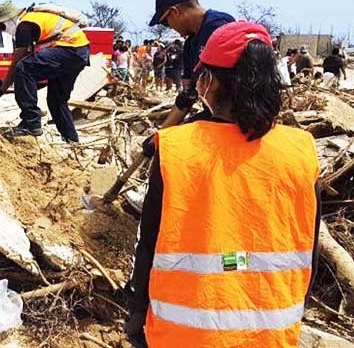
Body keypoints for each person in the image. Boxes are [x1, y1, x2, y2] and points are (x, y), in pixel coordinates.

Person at [124, 22, 320, 348]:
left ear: (209, 81)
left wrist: (136, 312)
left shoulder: (176, 148)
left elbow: (148, 244)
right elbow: (308, 250)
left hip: (183, 335)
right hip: (272, 334)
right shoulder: (301, 150)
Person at [0, 0, 90, 142]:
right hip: (79, 52)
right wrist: (4, 87)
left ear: (10, 19)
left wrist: (1, 89)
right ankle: (72, 141)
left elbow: (19, 65)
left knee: (23, 68)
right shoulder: (31, 22)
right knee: (56, 100)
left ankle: (31, 122)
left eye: (1, 26)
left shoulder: (24, 25)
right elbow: (33, 71)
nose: (2, 31)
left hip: (69, 49)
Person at [149, 0, 234, 92]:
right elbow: (188, 92)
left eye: (166, 22)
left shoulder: (219, 27)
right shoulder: (190, 43)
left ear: (175, 12)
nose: (169, 26)